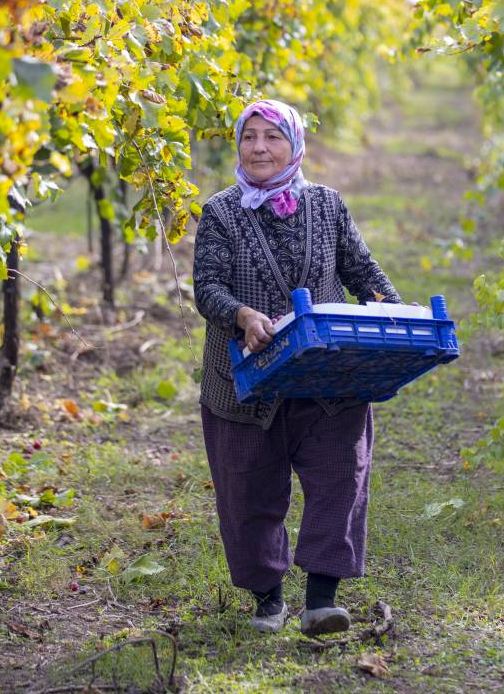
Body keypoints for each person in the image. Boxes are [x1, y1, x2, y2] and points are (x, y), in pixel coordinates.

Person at [192, 99, 402, 635]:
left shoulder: (328, 205)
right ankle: (268, 598)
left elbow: (363, 269)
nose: (260, 148)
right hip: (246, 379)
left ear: (295, 144)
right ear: (238, 145)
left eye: (273, 137)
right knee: (248, 489)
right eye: (249, 138)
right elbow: (207, 287)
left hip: (327, 374)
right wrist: (241, 315)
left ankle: (321, 600)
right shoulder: (220, 211)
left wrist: (392, 312)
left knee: (338, 476)